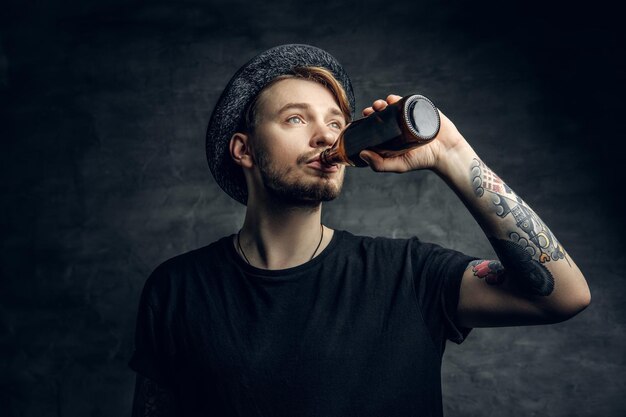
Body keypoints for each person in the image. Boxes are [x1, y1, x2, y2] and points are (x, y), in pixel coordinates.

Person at [129, 44, 591, 416]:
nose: (326, 136)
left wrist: (451, 153)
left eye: (335, 122)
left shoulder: (409, 275)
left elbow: (561, 295)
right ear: (243, 149)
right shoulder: (177, 289)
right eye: (295, 118)